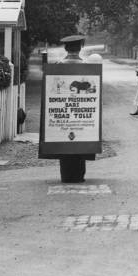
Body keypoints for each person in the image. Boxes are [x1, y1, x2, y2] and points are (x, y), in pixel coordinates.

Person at [52, 34, 95, 183]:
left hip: (64, 112)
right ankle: (79, 175)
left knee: (65, 141)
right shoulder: (87, 66)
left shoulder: (57, 65)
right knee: (80, 140)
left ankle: (66, 175)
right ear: (80, 48)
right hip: (80, 114)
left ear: (65, 48)